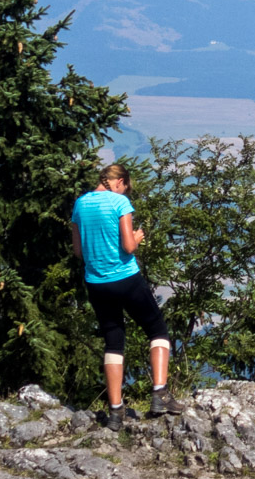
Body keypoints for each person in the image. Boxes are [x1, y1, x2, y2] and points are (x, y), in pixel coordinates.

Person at [70, 163, 183, 429]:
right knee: (157, 330)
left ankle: (115, 412)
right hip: (126, 278)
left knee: (113, 341)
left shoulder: (80, 204)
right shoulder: (120, 202)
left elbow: (78, 251)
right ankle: (160, 394)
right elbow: (128, 247)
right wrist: (137, 237)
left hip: (96, 282)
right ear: (120, 181)